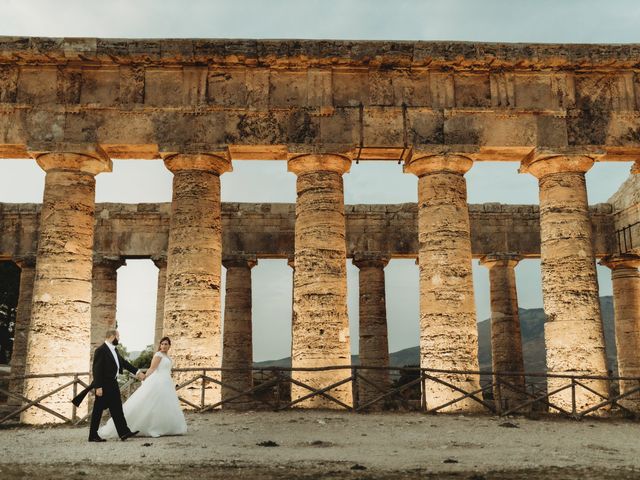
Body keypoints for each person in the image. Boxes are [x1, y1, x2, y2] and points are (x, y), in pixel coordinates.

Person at [98, 336, 187, 439]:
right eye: (162, 344)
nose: (163, 346)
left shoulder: (167, 357)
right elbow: (152, 368)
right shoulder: (158, 355)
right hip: (158, 382)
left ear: (169, 345)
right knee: (151, 403)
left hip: (166, 382)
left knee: (165, 404)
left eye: (166, 344)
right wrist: (144, 378)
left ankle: (167, 427)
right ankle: (149, 427)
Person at [82, 329, 145, 442]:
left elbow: (124, 363)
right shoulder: (101, 350)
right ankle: (93, 435)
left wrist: (137, 372)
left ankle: (124, 433)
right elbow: (96, 369)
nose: (119, 339)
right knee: (98, 410)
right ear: (112, 336)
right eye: (118, 337)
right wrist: (98, 387)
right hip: (104, 385)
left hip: (113, 384)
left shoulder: (114, 350)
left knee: (117, 409)